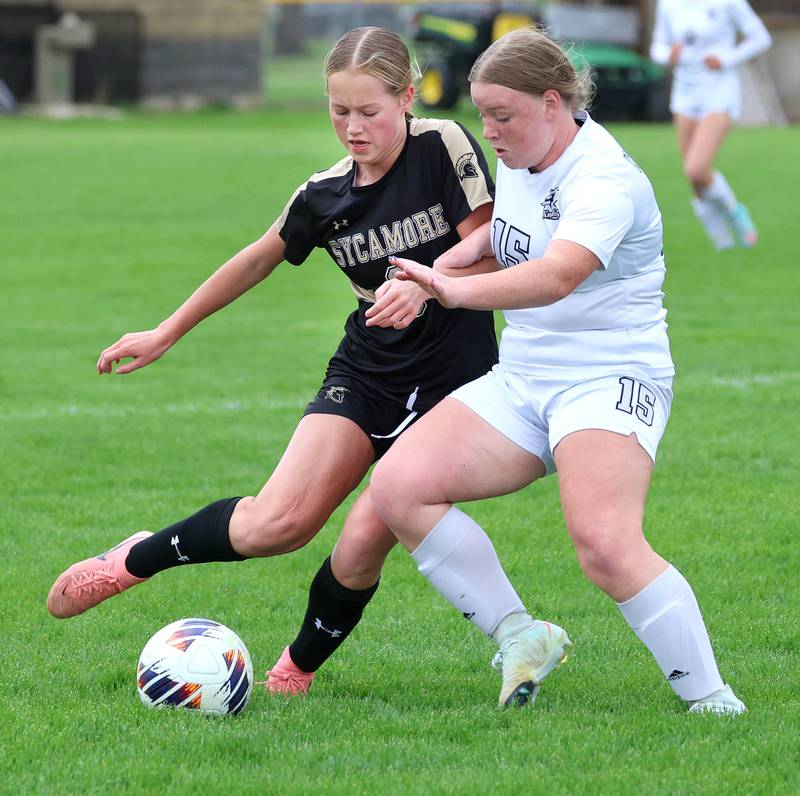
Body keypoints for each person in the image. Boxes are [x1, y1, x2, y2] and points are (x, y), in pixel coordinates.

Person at [46, 27, 500, 695]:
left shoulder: (442, 146)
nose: (352, 127)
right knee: (277, 523)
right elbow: (258, 258)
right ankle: (132, 560)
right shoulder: (325, 196)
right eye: (338, 110)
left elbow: (491, 249)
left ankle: (296, 670)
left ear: (408, 97)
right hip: (369, 372)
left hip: (452, 389)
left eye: (369, 111)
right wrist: (168, 331)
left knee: (363, 539)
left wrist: (427, 282)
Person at [369, 27, 745, 714]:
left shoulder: (606, 178)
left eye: (502, 116)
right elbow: (508, 229)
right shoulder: (525, 150)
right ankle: (522, 635)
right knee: (399, 485)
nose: (491, 132)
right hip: (525, 377)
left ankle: (713, 700)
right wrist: (444, 266)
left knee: (604, 544)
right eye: (483, 115)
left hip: (608, 377)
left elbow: (558, 273)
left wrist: (449, 290)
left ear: (552, 103)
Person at [650, 0, 771, 250]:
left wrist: (727, 58)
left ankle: (735, 212)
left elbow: (761, 37)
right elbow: (657, 47)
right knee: (693, 180)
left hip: (719, 91)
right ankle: (722, 243)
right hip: (685, 94)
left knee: (696, 168)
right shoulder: (668, 4)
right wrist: (668, 55)